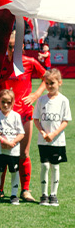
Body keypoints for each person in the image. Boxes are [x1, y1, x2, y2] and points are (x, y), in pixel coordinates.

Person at [3, 41, 47, 202]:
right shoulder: (0, 63)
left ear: (22, 47)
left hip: (25, 115)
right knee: (2, 153)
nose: (12, 50)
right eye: (9, 46)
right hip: (4, 117)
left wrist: (35, 95)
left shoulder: (30, 62)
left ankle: (25, 191)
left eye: (16, 46)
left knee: (24, 153)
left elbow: (47, 78)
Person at [35, 67, 68, 206]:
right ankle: (44, 194)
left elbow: (65, 121)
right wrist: (43, 133)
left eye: (52, 83)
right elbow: (36, 119)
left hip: (57, 141)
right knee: (44, 166)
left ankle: (53, 195)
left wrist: (53, 134)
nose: (49, 86)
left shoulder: (63, 100)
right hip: (43, 141)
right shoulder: (41, 100)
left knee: (55, 167)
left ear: (59, 82)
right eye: (47, 83)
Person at [0, 90, 23, 204]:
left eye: (8, 102)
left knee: (14, 172)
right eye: (3, 102)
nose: (5, 105)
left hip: (13, 151)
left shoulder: (16, 116)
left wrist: (12, 142)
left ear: (13, 102)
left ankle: (14, 195)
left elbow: (21, 133)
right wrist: (4, 141)